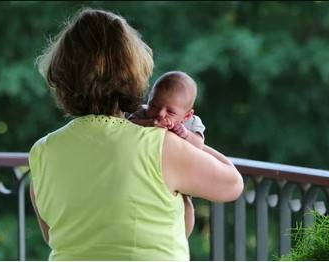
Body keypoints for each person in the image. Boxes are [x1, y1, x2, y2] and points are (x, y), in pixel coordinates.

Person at [29, 7, 243, 261]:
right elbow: (232, 184)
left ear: (62, 77)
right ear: (131, 74)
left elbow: (53, 235)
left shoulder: (42, 152)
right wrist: (185, 137)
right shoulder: (160, 145)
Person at [128, 70, 205, 237]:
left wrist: (184, 133)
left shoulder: (192, 123)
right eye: (154, 105)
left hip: (179, 174)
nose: (160, 114)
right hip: (147, 171)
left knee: (186, 205)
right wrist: (150, 123)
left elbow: (199, 145)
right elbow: (128, 126)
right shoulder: (143, 112)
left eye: (170, 112)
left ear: (187, 115)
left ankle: (182, 237)